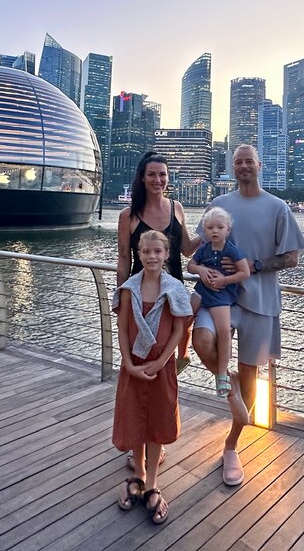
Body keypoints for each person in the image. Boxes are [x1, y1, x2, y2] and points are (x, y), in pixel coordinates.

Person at [192, 144, 304, 487]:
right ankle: (229, 393)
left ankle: (232, 446)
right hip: (219, 299)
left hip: (261, 302)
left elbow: (291, 259)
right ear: (232, 167)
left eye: (248, 161)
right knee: (201, 341)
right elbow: (194, 248)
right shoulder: (219, 205)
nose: (243, 166)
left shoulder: (278, 207)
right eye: (237, 162)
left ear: (259, 165)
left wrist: (255, 265)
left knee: (249, 371)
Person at [116, 151, 199, 472]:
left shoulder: (176, 208)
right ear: (142, 177)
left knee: (165, 377)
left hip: (173, 299)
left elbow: (186, 248)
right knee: (139, 373)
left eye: (163, 174)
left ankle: (157, 442)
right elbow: (124, 258)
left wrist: (214, 232)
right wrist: (120, 297)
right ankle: (137, 443)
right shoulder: (129, 215)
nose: (158, 180)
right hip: (142, 301)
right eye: (152, 174)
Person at [112, 231, 192, 525]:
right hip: (133, 365)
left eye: (157, 251)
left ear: (166, 253)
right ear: (139, 253)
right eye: (145, 251)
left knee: (158, 420)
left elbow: (178, 330)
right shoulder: (128, 289)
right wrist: (128, 363)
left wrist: (161, 361)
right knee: (135, 419)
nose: (151, 256)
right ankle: (138, 476)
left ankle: (153, 483)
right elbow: (122, 328)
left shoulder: (173, 288)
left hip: (161, 367)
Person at [187, 206, 250, 398]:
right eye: (210, 228)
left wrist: (224, 281)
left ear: (227, 230)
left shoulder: (231, 250)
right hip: (202, 290)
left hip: (221, 295)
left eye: (220, 227)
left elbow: (244, 272)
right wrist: (201, 271)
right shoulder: (204, 248)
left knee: (224, 331)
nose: (215, 231)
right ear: (205, 230)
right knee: (183, 316)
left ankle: (222, 373)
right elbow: (190, 265)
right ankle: (181, 354)